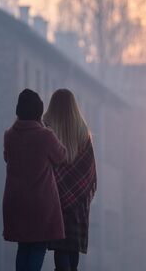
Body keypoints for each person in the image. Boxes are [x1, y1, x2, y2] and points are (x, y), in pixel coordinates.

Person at [3, 89, 68, 271]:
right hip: (40, 203)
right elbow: (61, 156)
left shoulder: (9, 136)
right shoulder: (45, 136)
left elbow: (7, 157)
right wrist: (50, 130)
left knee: (23, 247)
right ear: (39, 112)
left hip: (16, 201)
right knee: (38, 246)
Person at [43, 89, 98, 271]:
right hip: (78, 206)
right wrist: (79, 195)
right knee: (72, 253)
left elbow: (44, 165)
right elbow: (89, 172)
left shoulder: (47, 130)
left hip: (54, 201)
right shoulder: (83, 133)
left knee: (60, 250)